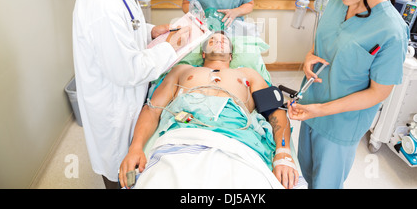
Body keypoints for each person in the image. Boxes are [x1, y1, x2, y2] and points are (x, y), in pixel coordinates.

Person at [72, 0, 189, 189]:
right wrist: (171, 46)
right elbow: (128, 70)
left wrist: (152, 31)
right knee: (120, 175)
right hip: (115, 110)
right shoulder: (100, 1)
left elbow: (128, 27)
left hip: (130, 100)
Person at [287, 0, 409, 189]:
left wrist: (320, 110)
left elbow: (378, 93)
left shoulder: (390, 30)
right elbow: (325, 40)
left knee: (326, 184)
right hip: (311, 107)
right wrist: (310, 56)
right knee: (308, 174)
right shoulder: (337, 2)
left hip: (341, 123)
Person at [119, 32, 299, 189]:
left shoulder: (248, 74)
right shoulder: (182, 70)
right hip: (182, 136)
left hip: (236, 140)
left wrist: (283, 153)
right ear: (203, 53)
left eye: (224, 40)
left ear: (231, 55)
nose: (218, 41)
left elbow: (275, 111)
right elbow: (152, 109)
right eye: (212, 40)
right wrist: (135, 148)